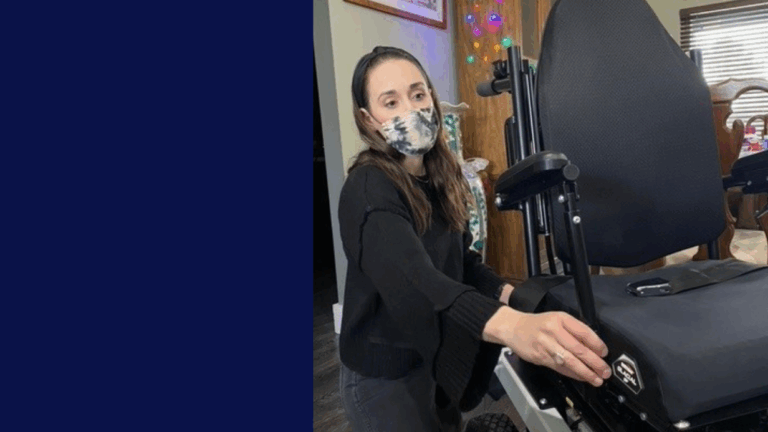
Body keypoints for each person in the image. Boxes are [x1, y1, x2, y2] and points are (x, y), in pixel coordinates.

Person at [337, 46, 612, 432]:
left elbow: (462, 265)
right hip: (384, 377)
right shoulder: (368, 188)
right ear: (368, 120)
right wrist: (513, 327)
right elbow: (419, 282)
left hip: (432, 354)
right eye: (391, 102)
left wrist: (519, 300)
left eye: (418, 94)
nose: (411, 111)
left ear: (432, 97)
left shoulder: (438, 178)